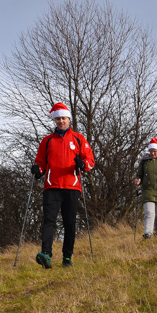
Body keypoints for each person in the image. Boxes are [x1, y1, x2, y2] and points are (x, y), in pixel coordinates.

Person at [31, 102, 95, 268]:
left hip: (72, 186)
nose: (61, 121)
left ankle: (67, 257)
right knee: (49, 221)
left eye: (64, 118)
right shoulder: (47, 141)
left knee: (69, 223)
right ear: (55, 120)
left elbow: (90, 161)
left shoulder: (79, 139)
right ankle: (46, 254)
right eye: (58, 119)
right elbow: (40, 163)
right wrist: (37, 169)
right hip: (52, 186)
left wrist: (83, 164)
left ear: (69, 119)